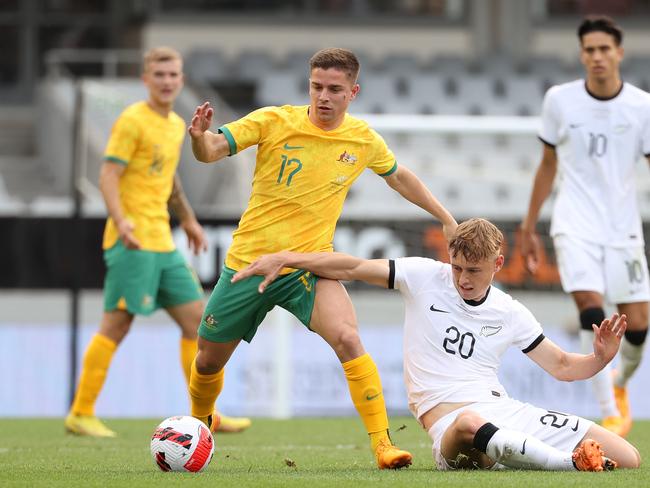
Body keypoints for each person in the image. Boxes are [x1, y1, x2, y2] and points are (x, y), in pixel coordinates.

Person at [187, 47, 457, 468]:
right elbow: (213, 151)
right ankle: (200, 424)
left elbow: (399, 177)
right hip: (249, 264)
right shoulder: (273, 120)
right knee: (207, 359)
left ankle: (384, 445)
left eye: (334, 89)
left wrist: (445, 218)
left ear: (353, 92)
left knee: (349, 338)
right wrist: (198, 139)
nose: (323, 96)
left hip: (308, 267)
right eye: (316, 87)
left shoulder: (363, 139)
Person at [232, 218, 641, 471]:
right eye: (457, 267)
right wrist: (288, 258)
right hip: (452, 426)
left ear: (497, 265)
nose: (462, 278)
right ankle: (568, 467)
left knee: (627, 457)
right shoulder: (423, 276)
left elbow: (564, 367)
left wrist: (600, 358)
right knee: (469, 425)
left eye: (474, 271)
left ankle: (522, 452)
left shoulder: (510, 312)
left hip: (507, 412)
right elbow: (353, 266)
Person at [64, 47, 250, 437]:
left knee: (196, 322)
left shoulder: (174, 125)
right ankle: (80, 412)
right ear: (146, 79)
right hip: (131, 240)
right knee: (117, 324)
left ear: (181, 79)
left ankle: (206, 414)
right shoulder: (132, 120)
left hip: (163, 243)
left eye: (173, 75)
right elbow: (108, 176)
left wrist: (190, 221)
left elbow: (170, 182)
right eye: (159, 75)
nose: (167, 81)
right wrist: (122, 222)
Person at [520, 16, 650, 438]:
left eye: (604, 49)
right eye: (589, 49)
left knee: (639, 325)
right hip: (573, 224)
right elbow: (547, 165)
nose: (596, 56)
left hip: (623, 229)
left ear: (619, 53)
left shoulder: (642, 106)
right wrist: (528, 225)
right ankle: (608, 410)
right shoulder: (559, 100)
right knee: (592, 311)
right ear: (581, 54)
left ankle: (621, 383)